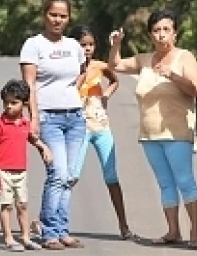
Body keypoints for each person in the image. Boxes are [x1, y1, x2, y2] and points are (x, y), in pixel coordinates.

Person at [108, 9, 197, 248]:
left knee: (184, 180)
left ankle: (195, 233)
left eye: (166, 30)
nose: (161, 35)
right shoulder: (145, 60)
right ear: (150, 35)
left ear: (175, 33)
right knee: (165, 183)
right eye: (156, 31)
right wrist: (116, 45)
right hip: (150, 135)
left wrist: (172, 75)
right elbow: (116, 65)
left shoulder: (184, 57)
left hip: (177, 132)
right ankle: (173, 230)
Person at [19, 0, 87, 250]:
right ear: (44, 15)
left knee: (69, 176)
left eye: (63, 16)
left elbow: (82, 72)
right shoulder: (34, 45)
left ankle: (62, 229)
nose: (58, 20)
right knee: (57, 173)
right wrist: (34, 117)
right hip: (49, 118)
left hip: (75, 117)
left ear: (69, 18)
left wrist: (72, 93)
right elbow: (29, 85)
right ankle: (49, 231)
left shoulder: (73, 46)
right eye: (53, 15)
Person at [67, 24, 137, 240]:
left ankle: (124, 226)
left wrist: (106, 95)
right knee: (72, 176)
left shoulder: (99, 66)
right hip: (79, 128)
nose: (87, 49)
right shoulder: (69, 68)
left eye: (90, 44)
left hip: (101, 127)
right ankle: (52, 221)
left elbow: (115, 80)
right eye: (82, 45)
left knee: (112, 176)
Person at [0, 79, 52, 252]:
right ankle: (8, 238)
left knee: (22, 205)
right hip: (1, 173)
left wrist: (45, 149)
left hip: (20, 172)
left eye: (14, 103)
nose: (9, 106)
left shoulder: (25, 124)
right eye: (6, 102)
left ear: (24, 103)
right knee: (6, 205)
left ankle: (26, 237)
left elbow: (33, 139)